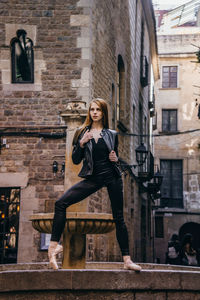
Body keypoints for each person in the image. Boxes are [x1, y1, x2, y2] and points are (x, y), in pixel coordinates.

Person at [48, 98, 142, 272]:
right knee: (61, 203)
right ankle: (52, 248)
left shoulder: (112, 134)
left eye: (98, 109)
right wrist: (82, 143)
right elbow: (76, 160)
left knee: (118, 218)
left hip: (112, 177)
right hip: (93, 178)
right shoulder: (82, 132)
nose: (95, 112)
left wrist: (116, 160)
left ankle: (127, 260)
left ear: (103, 112)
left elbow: (115, 159)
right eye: (92, 109)